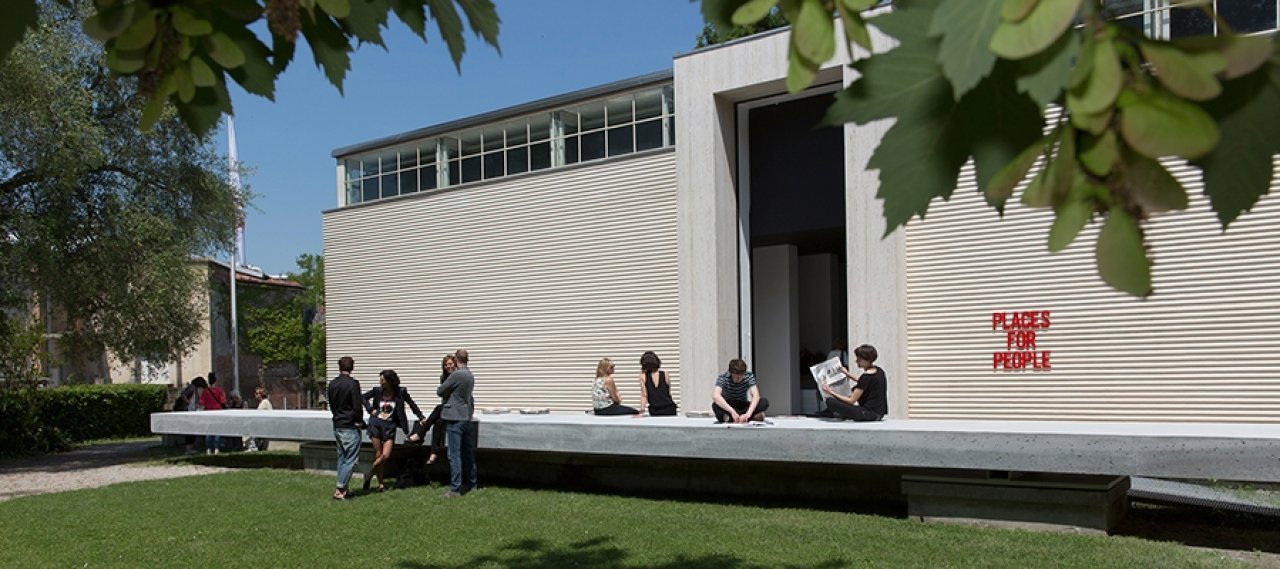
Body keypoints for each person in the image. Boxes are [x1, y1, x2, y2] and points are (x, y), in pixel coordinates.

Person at [361, 369, 425, 492]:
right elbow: (362, 397)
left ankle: (369, 474)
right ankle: (381, 484)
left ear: (390, 381)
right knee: (378, 454)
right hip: (375, 424)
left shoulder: (401, 392)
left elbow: (412, 404)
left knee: (385, 455)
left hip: (390, 426)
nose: (380, 382)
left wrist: (421, 417)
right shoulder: (377, 391)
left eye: (383, 380)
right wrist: (370, 409)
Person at [438, 348, 476, 497]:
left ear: (456, 359)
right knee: (468, 453)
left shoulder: (456, 375)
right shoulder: (470, 375)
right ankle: (472, 483)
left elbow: (440, 390)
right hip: (466, 417)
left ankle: (455, 489)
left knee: (454, 454)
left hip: (455, 418)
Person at [406, 354, 455, 466]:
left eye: (450, 364)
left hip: (454, 409)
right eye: (446, 365)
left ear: (455, 364)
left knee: (438, 408)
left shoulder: (458, 377)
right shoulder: (444, 378)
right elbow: (443, 394)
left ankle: (420, 433)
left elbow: (442, 392)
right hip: (446, 408)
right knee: (438, 423)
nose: (448, 366)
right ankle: (433, 453)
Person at [328, 356, 365, 500]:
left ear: (339, 367)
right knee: (350, 459)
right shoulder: (353, 384)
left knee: (342, 457)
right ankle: (340, 489)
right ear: (352, 367)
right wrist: (359, 421)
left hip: (338, 423)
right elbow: (357, 405)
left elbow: (332, 404)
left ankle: (344, 489)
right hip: (350, 425)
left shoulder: (332, 384)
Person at [821, 344, 888, 422]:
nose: (856, 361)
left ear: (867, 360)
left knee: (830, 401)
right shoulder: (879, 371)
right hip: (879, 413)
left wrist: (830, 392)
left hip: (867, 414)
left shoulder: (866, 377)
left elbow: (851, 400)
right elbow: (863, 382)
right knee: (854, 389)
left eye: (859, 360)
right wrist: (847, 373)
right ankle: (837, 412)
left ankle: (836, 413)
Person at [711, 358, 770, 424]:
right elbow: (715, 396)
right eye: (736, 377)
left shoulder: (749, 376)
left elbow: (756, 396)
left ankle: (736, 418)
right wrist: (732, 412)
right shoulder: (723, 378)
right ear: (731, 373)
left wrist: (748, 414)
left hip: (743, 405)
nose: (738, 379)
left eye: (741, 376)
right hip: (729, 405)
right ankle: (750, 417)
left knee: (764, 402)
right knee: (715, 405)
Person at [637, 351, 677, 416]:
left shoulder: (643, 376)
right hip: (669, 407)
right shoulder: (665, 374)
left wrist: (641, 411)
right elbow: (668, 391)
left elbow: (644, 395)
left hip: (654, 409)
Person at [199, 372, 227, 454]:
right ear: (216, 380)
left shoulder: (205, 391)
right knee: (217, 430)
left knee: (208, 431)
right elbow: (223, 401)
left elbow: (201, 403)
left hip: (208, 412)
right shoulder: (219, 390)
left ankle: (208, 448)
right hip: (218, 412)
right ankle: (216, 448)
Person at [246, 386, 273, 452]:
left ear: (261, 394)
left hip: (264, 425)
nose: (255, 395)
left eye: (257, 393)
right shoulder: (262, 402)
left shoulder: (264, 402)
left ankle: (253, 448)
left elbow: (261, 414)